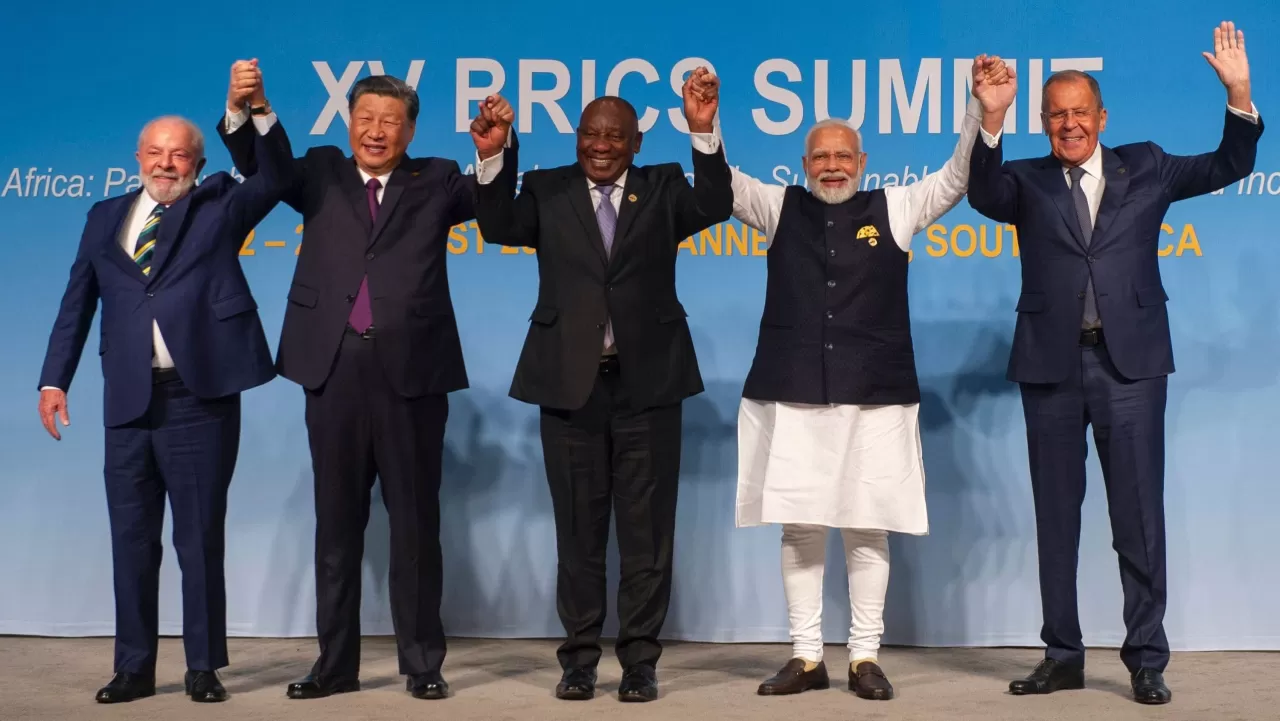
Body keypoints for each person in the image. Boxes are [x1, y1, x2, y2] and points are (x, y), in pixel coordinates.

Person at [967, 22, 1262, 705]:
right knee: (1056, 519)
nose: (1069, 124)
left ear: (1102, 118)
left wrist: (1239, 94)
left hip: (1130, 368)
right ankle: (1062, 655)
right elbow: (982, 194)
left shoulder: (1147, 166)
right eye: (1056, 115)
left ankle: (1146, 659)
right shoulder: (1025, 180)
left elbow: (1229, 165)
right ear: (1044, 122)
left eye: (1080, 112)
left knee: (1138, 519)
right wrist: (991, 117)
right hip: (1050, 368)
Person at [717, 56, 1008, 701]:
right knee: (799, 526)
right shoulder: (776, 207)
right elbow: (721, 183)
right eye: (820, 156)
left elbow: (957, 177)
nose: (832, 166)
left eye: (843, 155)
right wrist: (706, 127)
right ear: (803, 164)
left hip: (875, 396)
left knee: (867, 526)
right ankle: (805, 656)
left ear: (863, 161)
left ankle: (864, 657)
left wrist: (982, 112)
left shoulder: (896, 207)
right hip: (793, 393)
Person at [216, 74, 507, 701]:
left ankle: (422, 664)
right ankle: (335, 665)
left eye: (391, 121)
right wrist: (253, 109)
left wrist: (492, 153)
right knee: (336, 525)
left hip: (413, 372)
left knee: (415, 526)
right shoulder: (320, 171)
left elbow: (495, 208)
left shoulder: (437, 178)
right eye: (365, 118)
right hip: (333, 366)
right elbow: (265, 169)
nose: (377, 131)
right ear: (349, 122)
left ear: (411, 129)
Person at [467, 67, 732, 702]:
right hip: (569, 386)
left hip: (649, 387)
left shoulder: (663, 187)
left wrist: (703, 131)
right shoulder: (548, 188)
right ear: (577, 137)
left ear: (637, 142)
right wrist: (494, 155)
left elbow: (716, 204)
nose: (601, 145)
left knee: (647, 536)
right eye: (590, 133)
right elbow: (497, 226)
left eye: (615, 136)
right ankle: (579, 660)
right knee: (578, 534)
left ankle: (640, 663)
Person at [36, 60, 290, 705]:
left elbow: (277, 178)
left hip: (197, 398)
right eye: (155, 152)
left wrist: (253, 110)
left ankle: (203, 667)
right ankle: (133, 668)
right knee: (131, 541)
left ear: (198, 163)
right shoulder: (104, 216)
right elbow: (77, 303)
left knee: (198, 539)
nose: (166, 163)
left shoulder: (220, 204)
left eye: (179, 154)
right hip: (126, 399)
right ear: (137, 159)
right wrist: (53, 380)